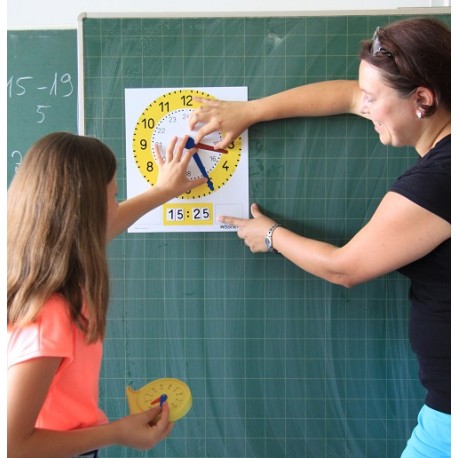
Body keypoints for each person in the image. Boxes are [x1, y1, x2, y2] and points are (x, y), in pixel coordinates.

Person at [189, 17, 451, 458]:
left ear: (422, 99)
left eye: (374, 99)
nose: (364, 106)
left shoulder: (439, 181)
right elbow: (348, 95)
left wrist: (271, 234)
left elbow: (344, 267)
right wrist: (250, 112)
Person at [7, 132, 207, 458]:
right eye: (114, 197)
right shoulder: (51, 315)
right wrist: (115, 433)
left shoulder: (44, 271)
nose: (118, 206)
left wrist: (163, 191)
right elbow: (12, 446)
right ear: (87, 216)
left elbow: (107, 224)